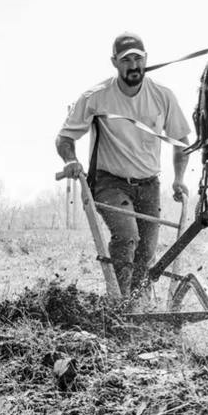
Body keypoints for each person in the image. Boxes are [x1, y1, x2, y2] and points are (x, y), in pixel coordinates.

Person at [56, 32, 191, 302]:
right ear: (114, 63)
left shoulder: (162, 96)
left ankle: (139, 310)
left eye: (138, 59)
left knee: (146, 253)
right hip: (110, 182)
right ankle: (119, 305)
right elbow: (65, 138)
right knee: (127, 237)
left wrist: (178, 178)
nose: (133, 66)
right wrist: (70, 160)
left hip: (149, 184)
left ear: (146, 60)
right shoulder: (96, 97)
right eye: (126, 60)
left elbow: (181, 141)